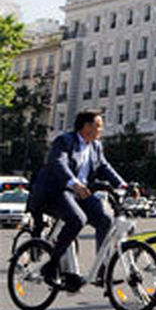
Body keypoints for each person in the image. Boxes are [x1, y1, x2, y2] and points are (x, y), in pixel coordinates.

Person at [27, 109, 125, 288]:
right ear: (86, 127)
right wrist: (75, 183)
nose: (101, 130)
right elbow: (58, 163)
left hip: (82, 193)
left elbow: (104, 167)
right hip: (58, 191)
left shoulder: (96, 146)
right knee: (77, 220)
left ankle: (102, 270)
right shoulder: (65, 141)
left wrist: (123, 185)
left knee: (106, 220)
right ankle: (52, 264)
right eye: (98, 126)